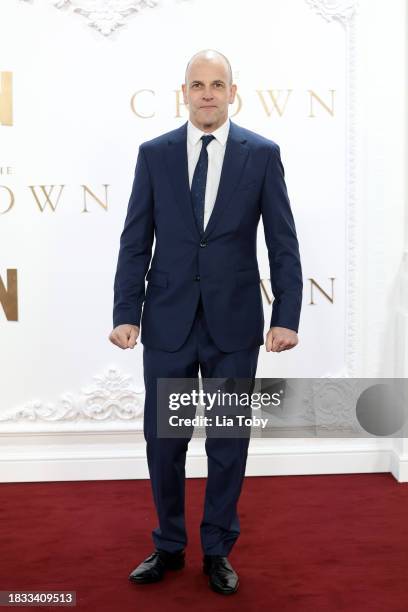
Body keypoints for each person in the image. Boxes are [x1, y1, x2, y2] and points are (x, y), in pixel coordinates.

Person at [109, 49, 303, 595]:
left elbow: (282, 243)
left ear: (233, 92)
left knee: (226, 439)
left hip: (235, 324)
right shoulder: (156, 154)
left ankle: (217, 549)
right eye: (198, 84)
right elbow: (134, 241)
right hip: (168, 323)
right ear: (185, 92)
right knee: (164, 443)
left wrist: (286, 315)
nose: (208, 93)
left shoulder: (261, 155)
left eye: (217, 84)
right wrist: (126, 313)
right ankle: (168, 545)